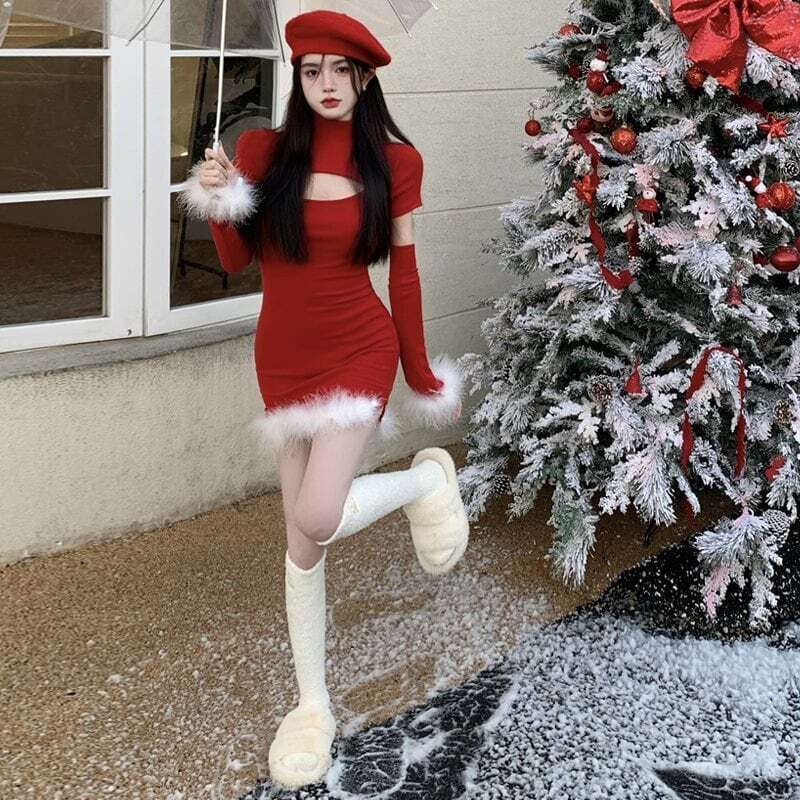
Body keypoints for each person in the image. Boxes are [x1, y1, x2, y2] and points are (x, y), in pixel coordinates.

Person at [178, 8, 469, 790]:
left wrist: (418, 369)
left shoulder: (395, 162)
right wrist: (220, 197)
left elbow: (402, 273)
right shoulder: (261, 152)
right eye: (312, 71)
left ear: (365, 78)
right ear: (297, 77)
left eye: (342, 70)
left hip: (358, 350)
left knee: (318, 514)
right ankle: (312, 706)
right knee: (301, 545)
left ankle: (427, 481)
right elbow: (238, 260)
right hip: (282, 360)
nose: (327, 84)